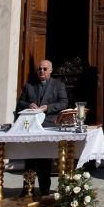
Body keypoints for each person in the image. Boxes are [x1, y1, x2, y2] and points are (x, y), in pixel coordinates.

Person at [16, 59, 68, 195]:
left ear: (50, 70)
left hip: (48, 125)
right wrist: (28, 105)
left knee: (45, 158)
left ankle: (44, 190)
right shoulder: (29, 86)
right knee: (30, 158)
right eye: (39, 69)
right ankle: (27, 189)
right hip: (31, 127)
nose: (41, 71)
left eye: (45, 69)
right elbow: (20, 103)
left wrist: (47, 107)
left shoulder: (58, 85)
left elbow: (64, 103)